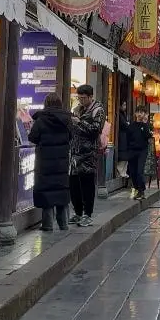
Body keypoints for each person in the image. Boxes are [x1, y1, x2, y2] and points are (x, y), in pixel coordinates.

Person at [28, 93, 72, 232]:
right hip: (62, 162)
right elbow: (71, 136)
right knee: (61, 191)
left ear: (46, 103)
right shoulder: (67, 120)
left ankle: (47, 225)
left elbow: (33, 137)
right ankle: (63, 224)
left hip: (44, 162)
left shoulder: (41, 120)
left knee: (47, 192)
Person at [70, 84, 104, 227]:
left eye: (83, 98)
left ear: (90, 97)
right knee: (74, 184)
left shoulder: (98, 110)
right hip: (75, 151)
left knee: (87, 184)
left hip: (89, 153)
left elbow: (96, 130)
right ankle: (78, 212)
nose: (81, 100)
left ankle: (87, 214)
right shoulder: (77, 109)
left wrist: (80, 122)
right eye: (79, 98)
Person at [128, 107, 152, 199]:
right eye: (138, 112)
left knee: (139, 171)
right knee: (132, 172)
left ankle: (141, 190)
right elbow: (128, 138)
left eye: (141, 112)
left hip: (142, 151)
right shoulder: (131, 126)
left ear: (144, 114)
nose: (139, 114)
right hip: (132, 151)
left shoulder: (146, 125)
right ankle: (137, 189)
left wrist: (144, 124)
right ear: (135, 113)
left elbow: (148, 136)